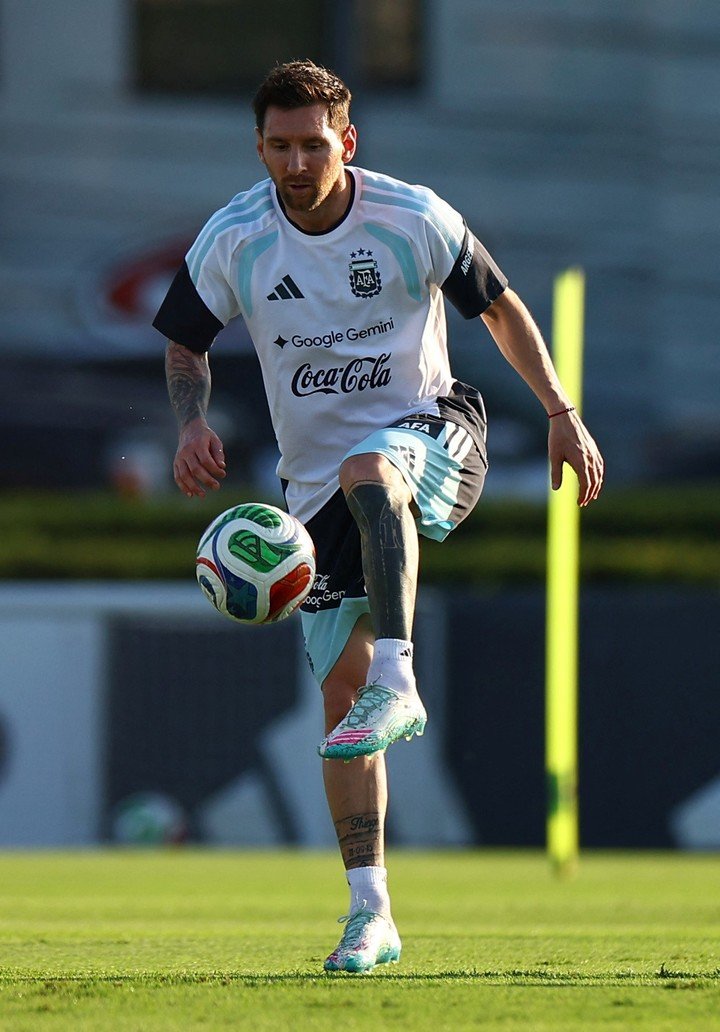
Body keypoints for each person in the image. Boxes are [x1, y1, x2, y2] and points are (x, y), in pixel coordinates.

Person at [153, 60, 604, 974]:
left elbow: (501, 306)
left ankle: (401, 675)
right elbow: (185, 341)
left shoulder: (410, 216)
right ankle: (372, 915)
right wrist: (192, 420)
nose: (295, 162)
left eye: (312, 144)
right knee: (337, 704)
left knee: (372, 470)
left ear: (346, 141)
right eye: (278, 145)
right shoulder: (236, 238)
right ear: (259, 146)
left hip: (433, 434)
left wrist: (560, 411)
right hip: (311, 492)